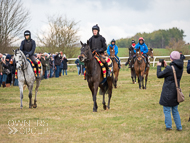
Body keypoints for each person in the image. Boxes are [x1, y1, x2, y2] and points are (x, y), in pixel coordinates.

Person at [157, 51, 183, 131]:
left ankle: (169, 126)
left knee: (167, 110)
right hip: (175, 91)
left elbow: (159, 75)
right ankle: (179, 127)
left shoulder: (169, 69)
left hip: (168, 92)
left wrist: (159, 66)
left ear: (171, 58)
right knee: (175, 110)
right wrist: (166, 66)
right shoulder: (180, 67)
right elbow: (172, 72)